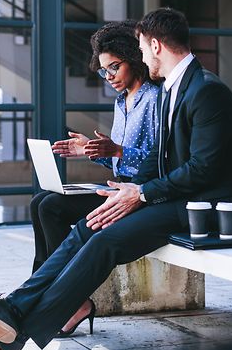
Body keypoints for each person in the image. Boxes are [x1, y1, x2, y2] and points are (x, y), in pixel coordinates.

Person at [0, 7, 232, 350]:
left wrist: (140, 192)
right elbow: (162, 159)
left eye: (140, 49)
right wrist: (124, 186)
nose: (139, 56)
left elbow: (203, 170)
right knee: (87, 226)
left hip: (207, 209)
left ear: (155, 45)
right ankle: (14, 311)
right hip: (175, 197)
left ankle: (18, 327)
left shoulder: (206, 91)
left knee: (104, 239)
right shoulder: (177, 89)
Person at [30, 20, 158, 273]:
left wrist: (118, 151)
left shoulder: (153, 99)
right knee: (39, 201)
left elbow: (160, 161)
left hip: (138, 194)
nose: (109, 77)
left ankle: (55, 283)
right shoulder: (121, 102)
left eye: (114, 67)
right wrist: (90, 149)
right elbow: (116, 154)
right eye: (103, 71)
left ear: (134, 58)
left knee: (51, 207)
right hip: (116, 185)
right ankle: (39, 280)